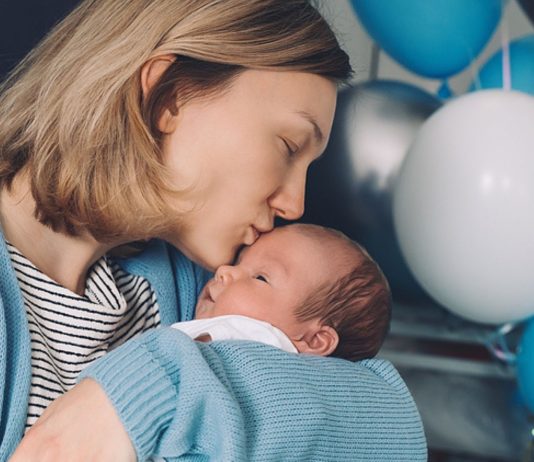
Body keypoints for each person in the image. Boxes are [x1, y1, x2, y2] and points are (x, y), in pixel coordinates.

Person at [0, 0, 426, 460]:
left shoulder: (193, 285)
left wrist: (142, 393)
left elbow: (391, 428)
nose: (295, 204)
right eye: (288, 146)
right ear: (169, 96)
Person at [173, 223, 392, 361]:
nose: (224, 271)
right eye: (238, 261)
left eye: (260, 277)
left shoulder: (252, 340)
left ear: (315, 340)